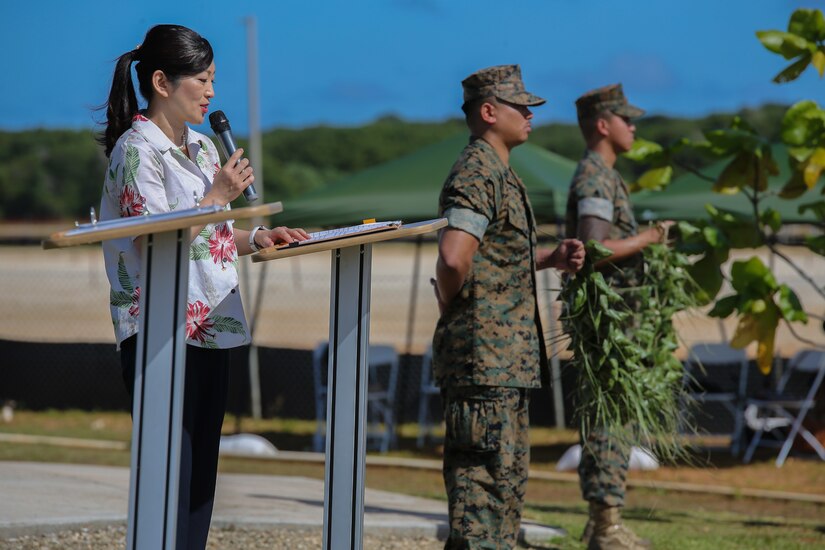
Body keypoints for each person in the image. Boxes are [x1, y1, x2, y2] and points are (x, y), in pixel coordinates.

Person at [97, 24, 307, 550]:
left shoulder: (206, 147)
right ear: (163, 82)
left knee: (199, 483)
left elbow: (208, 235)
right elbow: (153, 240)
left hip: (212, 322)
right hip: (159, 330)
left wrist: (257, 235)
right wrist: (215, 198)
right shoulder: (135, 150)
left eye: (215, 79)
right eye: (203, 79)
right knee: (170, 471)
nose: (212, 92)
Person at [432, 64, 585, 549]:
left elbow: (492, 255)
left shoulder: (498, 171)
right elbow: (454, 257)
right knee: (480, 494)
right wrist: (458, 308)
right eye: (521, 106)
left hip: (505, 362)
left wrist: (549, 257)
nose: (530, 114)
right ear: (489, 111)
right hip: (484, 359)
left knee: (504, 486)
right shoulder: (477, 170)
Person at [565, 83, 672, 550]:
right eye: (627, 120)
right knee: (609, 419)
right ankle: (606, 526)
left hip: (619, 322)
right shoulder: (594, 176)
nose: (634, 127)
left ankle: (602, 523)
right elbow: (592, 250)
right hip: (607, 325)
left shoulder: (606, 174)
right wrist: (649, 238)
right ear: (603, 126)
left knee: (614, 417)